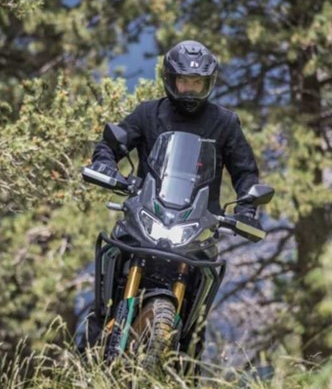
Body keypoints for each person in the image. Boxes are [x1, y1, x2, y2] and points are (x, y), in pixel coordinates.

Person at [80, 39, 263, 354]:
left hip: (197, 227)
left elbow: (246, 172)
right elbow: (111, 144)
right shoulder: (148, 113)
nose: (190, 89)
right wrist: (105, 166)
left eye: (197, 82)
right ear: (170, 80)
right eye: (184, 81)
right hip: (145, 217)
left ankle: (186, 370)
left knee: (196, 326)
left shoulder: (225, 123)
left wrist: (247, 208)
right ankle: (88, 357)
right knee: (101, 305)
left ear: (208, 83)